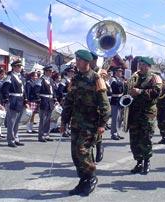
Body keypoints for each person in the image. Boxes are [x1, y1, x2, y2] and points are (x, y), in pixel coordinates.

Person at [60, 50, 110, 196]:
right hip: (76, 122)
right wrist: (64, 121)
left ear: (87, 62)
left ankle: (91, 177)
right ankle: (83, 180)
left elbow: (104, 105)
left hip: (91, 123)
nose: (77, 62)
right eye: (76, 59)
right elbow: (69, 102)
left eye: (80, 60)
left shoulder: (96, 79)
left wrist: (102, 124)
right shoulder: (74, 80)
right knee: (75, 154)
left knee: (83, 151)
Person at [128, 56, 162, 175]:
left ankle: (147, 161)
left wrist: (140, 91)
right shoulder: (135, 77)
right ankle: (138, 162)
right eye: (139, 64)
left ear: (149, 66)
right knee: (134, 139)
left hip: (147, 113)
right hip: (134, 112)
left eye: (143, 65)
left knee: (146, 138)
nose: (140, 67)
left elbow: (157, 93)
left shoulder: (154, 77)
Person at [2, 60, 29, 147]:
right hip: (13, 99)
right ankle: (10, 139)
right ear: (13, 67)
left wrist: (25, 101)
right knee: (12, 121)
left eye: (20, 67)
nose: (20, 68)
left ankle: (16, 137)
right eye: (18, 66)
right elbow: (5, 89)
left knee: (17, 121)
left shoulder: (21, 77)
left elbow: (23, 90)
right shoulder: (9, 77)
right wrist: (6, 100)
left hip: (20, 99)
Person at [36, 65, 58, 142]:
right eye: (49, 71)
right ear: (45, 72)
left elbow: (54, 91)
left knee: (49, 119)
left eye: (51, 72)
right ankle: (41, 135)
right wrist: (39, 100)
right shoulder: (41, 80)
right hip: (44, 100)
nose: (50, 73)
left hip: (50, 100)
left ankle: (47, 134)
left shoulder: (51, 80)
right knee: (43, 119)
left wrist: (55, 99)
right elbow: (37, 90)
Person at [109, 66, 126, 140]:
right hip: (115, 99)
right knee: (115, 118)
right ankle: (113, 133)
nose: (120, 72)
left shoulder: (121, 79)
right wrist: (123, 83)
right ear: (115, 72)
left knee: (119, 118)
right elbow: (114, 86)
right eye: (119, 71)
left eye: (121, 71)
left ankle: (118, 132)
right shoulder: (113, 79)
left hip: (121, 100)